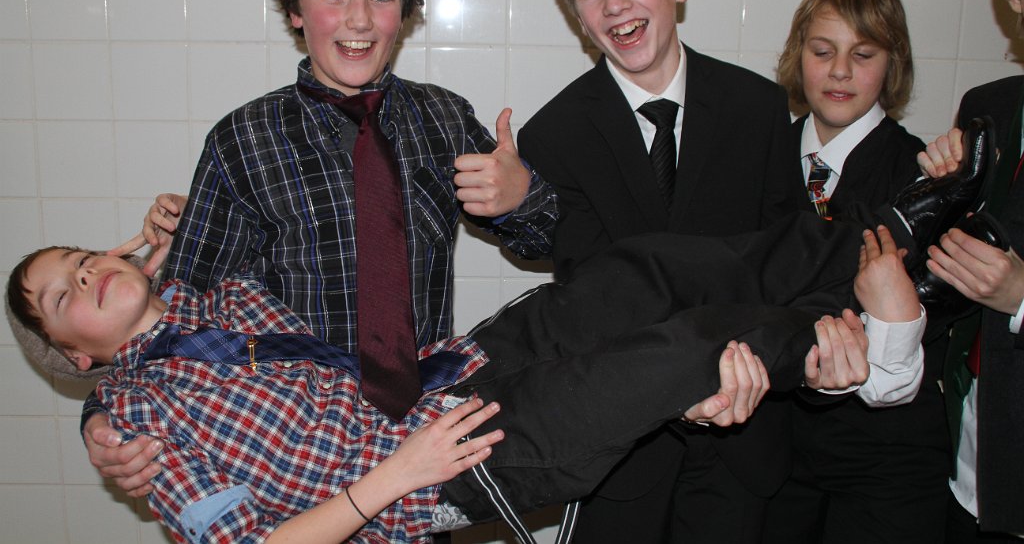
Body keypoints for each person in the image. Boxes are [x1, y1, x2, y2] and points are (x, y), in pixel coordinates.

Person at [8, 205, 944, 543]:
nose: (84, 275)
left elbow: (169, 263)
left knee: (644, 272)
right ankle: (863, 346)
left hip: (458, 367)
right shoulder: (137, 424)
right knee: (677, 355)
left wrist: (136, 253)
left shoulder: (216, 298)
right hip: (444, 464)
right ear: (75, 354)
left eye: (82, 257)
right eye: (61, 294)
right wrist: (396, 476)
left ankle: (889, 227)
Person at [82, 0, 559, 496]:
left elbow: (546, 241)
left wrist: (520, 196)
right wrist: (101, 413)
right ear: (295, 10)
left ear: (405, 13)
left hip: (423, 440)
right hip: (288, 451)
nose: (359, 18)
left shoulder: (443, 118)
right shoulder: (243, 140)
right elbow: (177, 315)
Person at [516, 0, 804, 542]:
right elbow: (594, 295)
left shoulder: (758, 108)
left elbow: (783, 262)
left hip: (745, 431)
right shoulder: (554, 135)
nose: (615, 3)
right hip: (622, 452)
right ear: (578, 16)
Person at [762, 0, 951, 543]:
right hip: (775, 459)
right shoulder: (758, 160)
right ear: (798, 56)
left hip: (888, 462)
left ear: (892, 65)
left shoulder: (924, 180)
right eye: (823, 51)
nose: (840, 70)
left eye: (863, 54)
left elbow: (942, 317)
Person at [917, 0, 1024, 542]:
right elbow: (948, 266)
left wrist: (1023, 296)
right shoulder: (990, 106)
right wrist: (939, 191)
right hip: (971, 445)